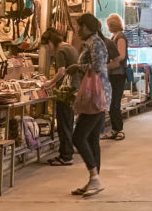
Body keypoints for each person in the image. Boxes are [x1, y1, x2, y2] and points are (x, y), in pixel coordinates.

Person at [66, 13, 110, 197]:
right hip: (97, 96)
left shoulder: (95, 42)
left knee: (78, 136)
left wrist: (78, 67)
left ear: (86, 27)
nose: (77, 31)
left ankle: (95, 178)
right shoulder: (93, 42)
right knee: (92, 139)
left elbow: (98, 66)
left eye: (79, 27)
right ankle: (93, 180)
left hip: (96, 96)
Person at [41, 27, 78, 166]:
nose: (47, 49)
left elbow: (61, 71)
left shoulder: (60, 51)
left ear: (51, 42)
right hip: (73, 90)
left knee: (64, 124)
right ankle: (67, 151)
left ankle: (66, 156)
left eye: (46, 46)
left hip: (65, 92)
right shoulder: (71, 48)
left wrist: (50, 82)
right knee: (68, 122)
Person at [103, 14, 128, 141]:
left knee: (115, 103)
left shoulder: (121, 37)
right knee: (112, 103)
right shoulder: (115, 37)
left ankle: (119, 130)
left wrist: (108, 63)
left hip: (118, 74)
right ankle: (114, 129)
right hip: (113, 74)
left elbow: (121, 56)